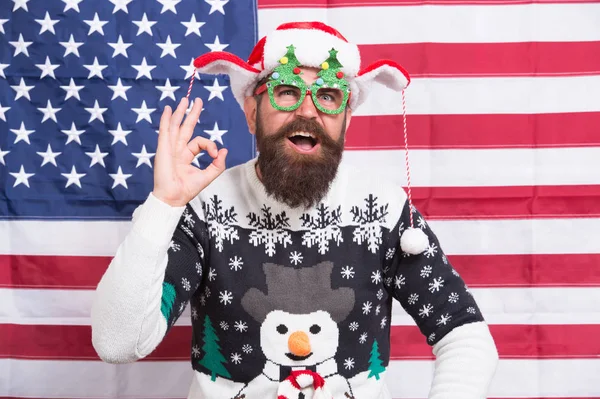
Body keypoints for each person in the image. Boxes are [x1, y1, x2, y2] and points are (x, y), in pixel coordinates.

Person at [91, 21, 499, 399]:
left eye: (327, 95)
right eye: (287, 91)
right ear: (252, 113)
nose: (307, 111)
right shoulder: (204, 205)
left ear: (346, 120)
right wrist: (164, 204)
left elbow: (465, 336)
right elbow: (117, 343)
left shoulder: (385, 209)